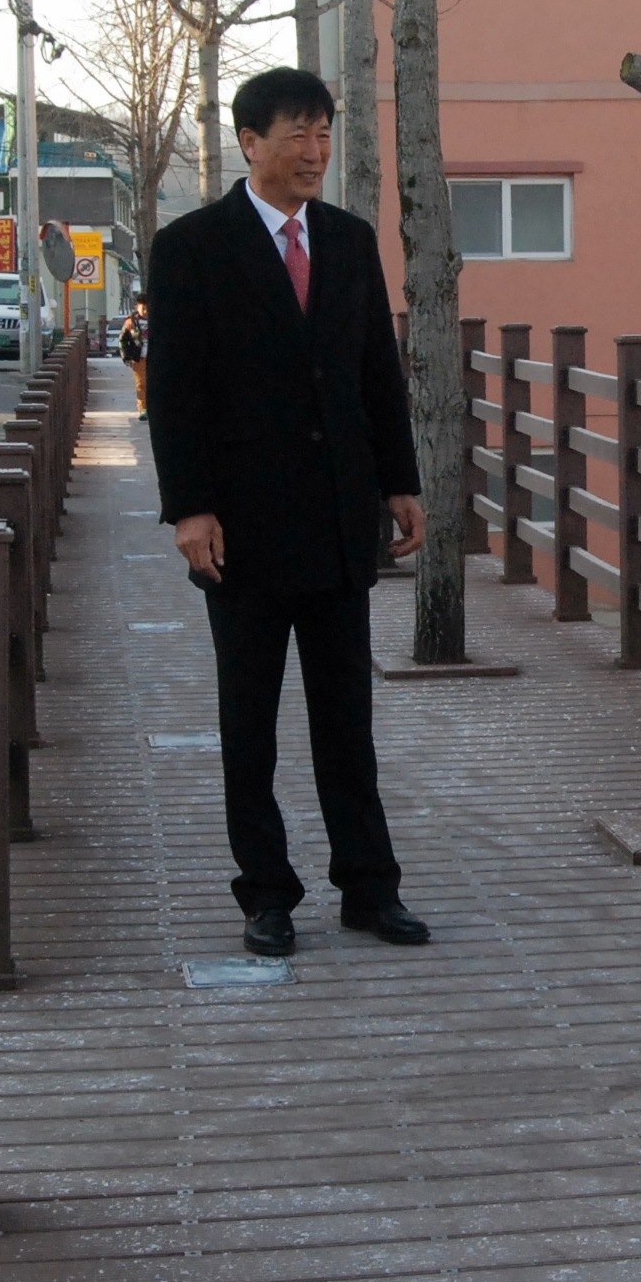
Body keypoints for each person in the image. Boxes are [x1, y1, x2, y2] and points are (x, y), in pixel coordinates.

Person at [146, 66, 433, 956]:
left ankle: (369, 888)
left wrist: (401, 479)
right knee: (252, 722)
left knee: (348, 719)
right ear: (250, 143)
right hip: (242, 527)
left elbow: (376, 374)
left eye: (324, 133)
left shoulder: (347, 241)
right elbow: (176, 391)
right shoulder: (193, 246)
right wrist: (189, 509)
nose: (315, 151)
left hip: (342, 519)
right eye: (297, 134)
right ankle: (266, 893)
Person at [118, 294, 152, 415]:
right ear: (138, 307)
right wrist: (126, 356)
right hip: (139, 358)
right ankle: (142, 408)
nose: (145, 311)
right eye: (143, 308)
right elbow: (122, 339)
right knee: (141, 384)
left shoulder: (157, 321)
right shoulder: (131, 322)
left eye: (147, 308)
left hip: (154, 358)